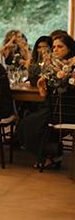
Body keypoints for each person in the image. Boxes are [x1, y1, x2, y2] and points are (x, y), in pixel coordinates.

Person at [18, 34, 75, 168]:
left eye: (60, 46)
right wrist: (42, 84)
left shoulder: (71, 66)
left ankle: (49, 155)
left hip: (66, 110)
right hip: (53, 107)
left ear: (69, 49)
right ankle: (50, 154)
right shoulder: (52, 66)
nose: (55, 49)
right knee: (25, 123)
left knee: (29, 124)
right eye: (54, 47)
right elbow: (44, 93)